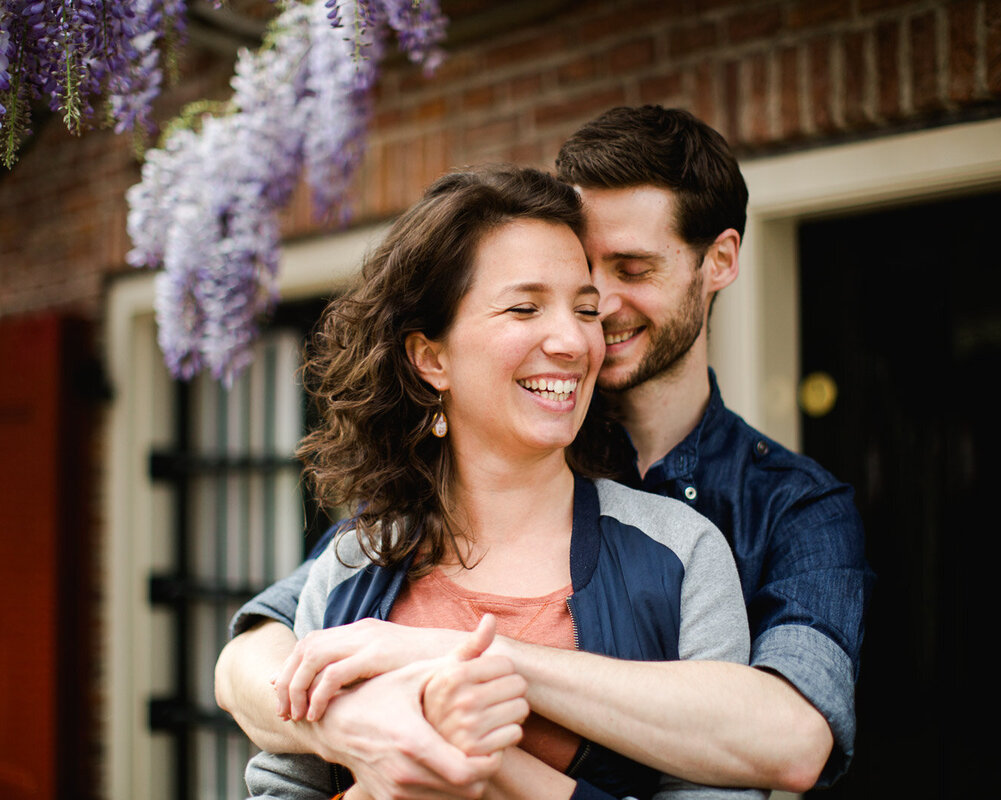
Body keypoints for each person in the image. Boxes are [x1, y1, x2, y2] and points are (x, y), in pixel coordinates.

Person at [217, 106, 872, 796]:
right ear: (430, 357)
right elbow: (257, 653)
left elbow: (793, 739)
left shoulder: (784, 510)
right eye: (578, 280)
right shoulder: (441, 498)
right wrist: (356, 723)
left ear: (721, 261)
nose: (597, 312)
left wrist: (465, 678)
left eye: (631, 269)